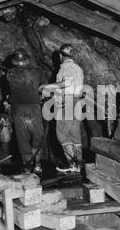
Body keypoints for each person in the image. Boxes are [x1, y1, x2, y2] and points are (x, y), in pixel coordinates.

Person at [39, 44, 84, 173]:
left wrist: (47, 86)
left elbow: (67, 83)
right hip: (77, 102)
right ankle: (78, 164)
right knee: (74, 135)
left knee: (62, 135)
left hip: (67, 102)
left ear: (60, 56)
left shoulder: (64, 68)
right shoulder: (78, 69)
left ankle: (72, 163)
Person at [6, 48, 47, 173]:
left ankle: (27, 166)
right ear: (27, 60)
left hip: (17, 108)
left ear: (14, 61)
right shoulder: (37, 72)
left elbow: (10, 90)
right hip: (34, 107)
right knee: (38, 135)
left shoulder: (9, 74)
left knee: (22, 137)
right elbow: (42, 88)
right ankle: (38, 164)